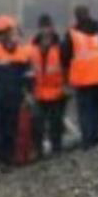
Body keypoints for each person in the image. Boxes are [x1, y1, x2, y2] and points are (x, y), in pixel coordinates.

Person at [0, 16, 33, 165]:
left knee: (10, 131)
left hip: (14, 99)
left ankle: (6, 159)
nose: (1, 36)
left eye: (3, 33)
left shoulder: (22, 54)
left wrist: (28, 93)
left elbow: (28, 76)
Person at [62, 5, 98, 150]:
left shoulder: (72, 33)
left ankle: (88, 139)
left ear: (76, 16)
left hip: (83, 78)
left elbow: (65, 56)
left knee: (85, 110)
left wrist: (66, 78)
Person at [30, 14, 67, 156]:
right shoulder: (31, 49)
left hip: (57, 92)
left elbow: (67, 67)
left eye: (48, 27)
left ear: (52, 28)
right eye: (43, 28)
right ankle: (39, 150)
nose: (46, 31)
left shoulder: (61, 46)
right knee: (37, 123)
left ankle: (56, 149)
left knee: (55, 123)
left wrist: (67, 86)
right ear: (39, 29)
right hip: (38, 93)